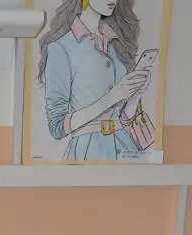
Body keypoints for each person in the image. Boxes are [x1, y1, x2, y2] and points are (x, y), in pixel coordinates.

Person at [38, 0, 153, 162]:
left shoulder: (117, 43)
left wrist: (137, 94)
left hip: (126, 150)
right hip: (87, 153)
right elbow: (57, 127)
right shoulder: (60, 48)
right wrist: (113, 96)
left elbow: (124, 120)